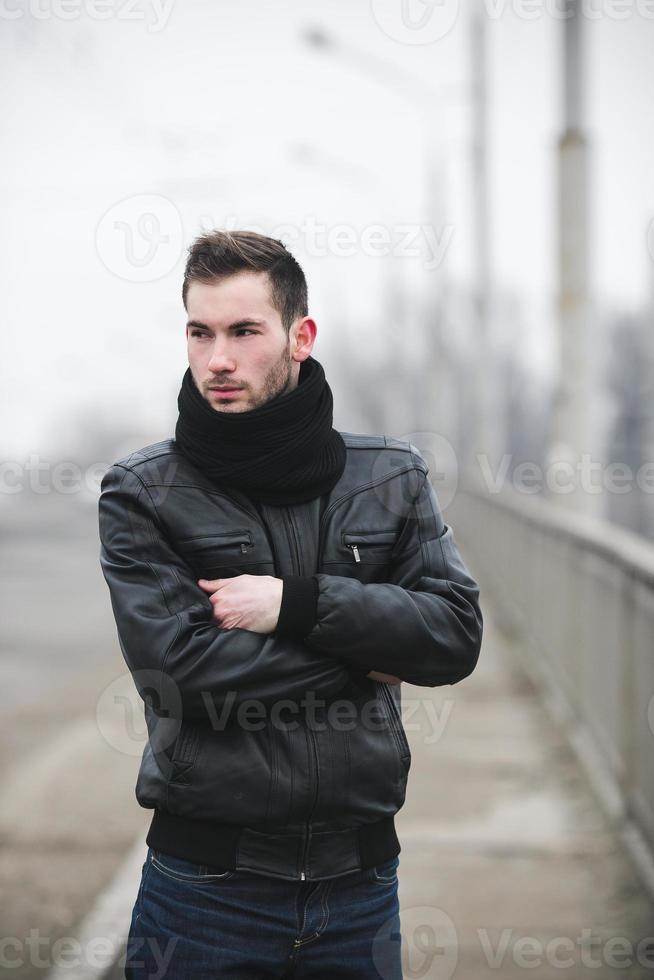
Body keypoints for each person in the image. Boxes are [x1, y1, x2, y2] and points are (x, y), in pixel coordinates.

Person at [98, 229, 483, 979]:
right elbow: (182, 675)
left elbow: (455, 636)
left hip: (362, 887)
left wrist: (300, 605)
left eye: (245, 331)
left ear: (299, 336)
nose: (218, 359)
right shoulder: (144, 491)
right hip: (205, 893)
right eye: (200, 332)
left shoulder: (389, 475)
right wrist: (369, 654)